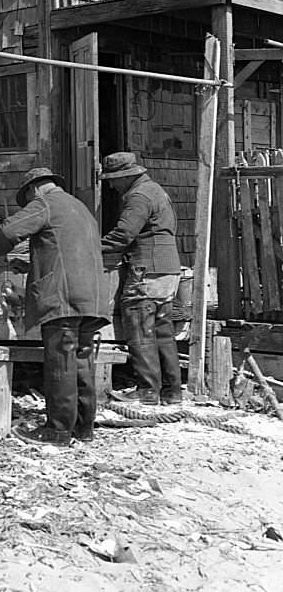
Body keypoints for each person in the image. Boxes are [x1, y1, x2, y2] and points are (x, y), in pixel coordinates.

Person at [0, 168, 111, 447]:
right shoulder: (79, 207)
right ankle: (83, 428)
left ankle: (57, 431)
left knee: (60, 361)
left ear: (33, 189)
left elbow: (6, 233)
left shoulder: (44, 203)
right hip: (92, 296)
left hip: (63, 297)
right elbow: (65, 250)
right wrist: (34, 264)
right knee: (81, 360)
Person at [100, 152, 182, 405]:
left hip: (147, 268)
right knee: (162, 331)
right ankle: (172, 391)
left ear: (126, 176)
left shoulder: (138, 197)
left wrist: (90, 247)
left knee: (140, 328)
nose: (112, 185)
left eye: (113, 180)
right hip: (168, 268)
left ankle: (147, 390)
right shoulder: (156, 190)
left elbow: (123, 235)